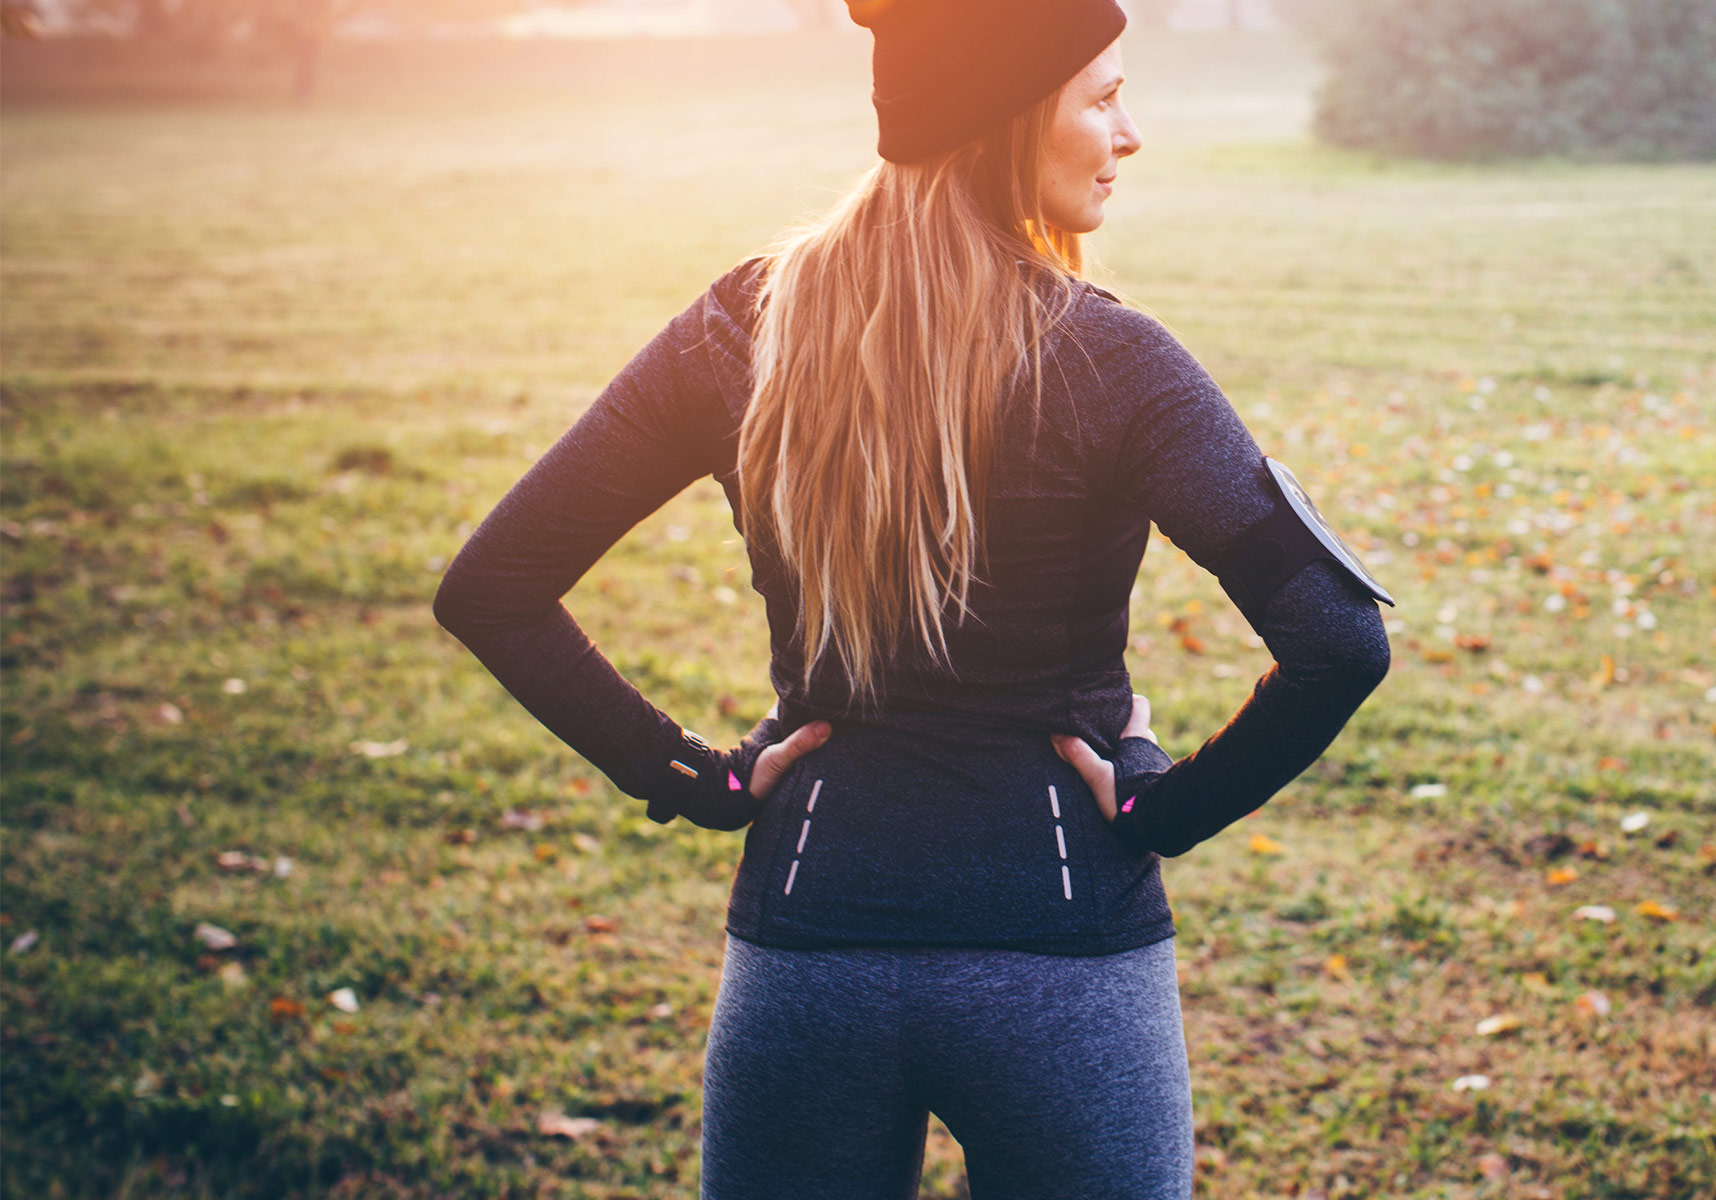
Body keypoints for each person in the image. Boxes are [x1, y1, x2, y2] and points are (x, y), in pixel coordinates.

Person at [432, 0, 1391, 1194]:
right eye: (1100, 98)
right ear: (1004, 125)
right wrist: (1160, 811)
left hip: (805, 957)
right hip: (1064, 958)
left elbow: (493, 587)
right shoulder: (1118, 361)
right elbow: (1339, 641)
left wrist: (696, 777)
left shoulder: (741, 329)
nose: (1129, 132)